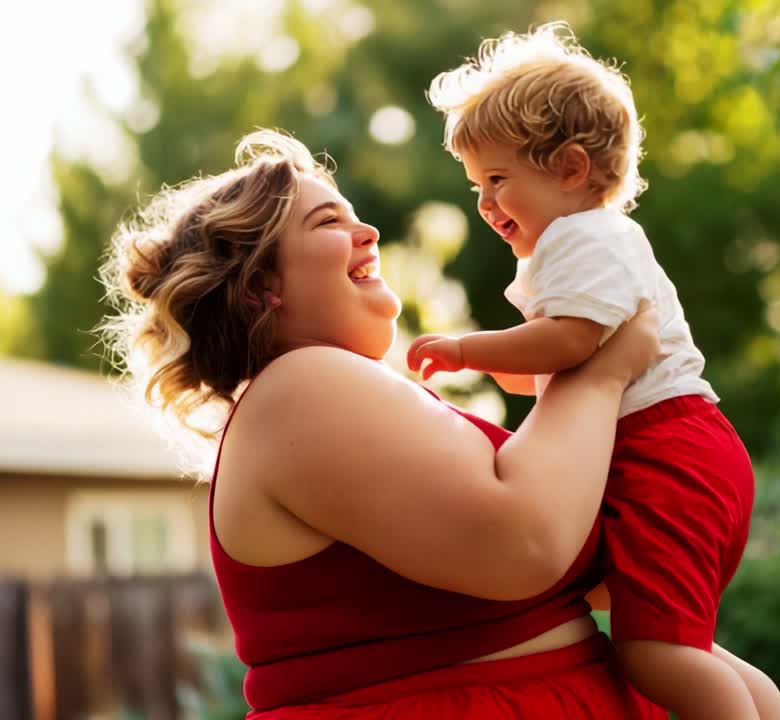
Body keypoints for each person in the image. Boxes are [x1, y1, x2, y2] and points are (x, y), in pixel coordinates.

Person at [99, 127, 670, 719]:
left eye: (353, 217)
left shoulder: (345, 396)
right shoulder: (300, 388)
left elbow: (588, 563)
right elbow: (524, 544)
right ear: (258, 288)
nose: (368, 231)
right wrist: (600, 369)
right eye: (326, 223)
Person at [409, 23, 780, 720]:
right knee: (689, 650)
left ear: (571, 169)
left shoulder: (582, 237)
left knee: (656, 659)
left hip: (664, 451)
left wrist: (468, 351)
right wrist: (509, 372)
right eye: (475, 187)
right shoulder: (576, 244)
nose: (486, 205)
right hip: (685, 449)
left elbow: (568, 346)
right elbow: (548, 374)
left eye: (497, 180)